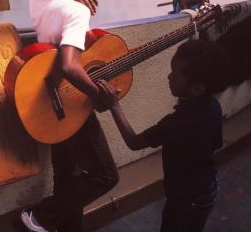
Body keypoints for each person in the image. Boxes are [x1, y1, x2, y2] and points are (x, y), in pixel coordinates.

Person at [19, 0, 118, 232]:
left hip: (52, 102)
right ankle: (40, 217)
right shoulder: (76, 10)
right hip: (72, 102)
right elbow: (69, 65)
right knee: (105, 176)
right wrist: (101, 97)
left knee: (68, 177)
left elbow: (57, 2)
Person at [97, 40, 231, 232]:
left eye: (175, 75)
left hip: (187, 201)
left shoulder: (176, 124)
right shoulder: (212, 106)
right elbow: (216, 143)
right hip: (205, 189)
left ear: (197, 88)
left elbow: (133, 142)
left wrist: (114, 105)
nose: (169, 77)